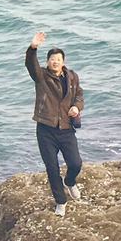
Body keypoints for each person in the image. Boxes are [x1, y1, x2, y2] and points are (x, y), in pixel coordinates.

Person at [25, 32, 84, 217]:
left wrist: (76, 107)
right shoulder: (41, 76)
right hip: (45, 130)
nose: (55, 62)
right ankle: (60, 201)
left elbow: (79, 96)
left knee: (75, 163)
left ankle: (70, 182)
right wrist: (33, 48)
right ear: (48, 61)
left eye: (58, 59)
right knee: (52, 168)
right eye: (52, 59)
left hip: (66, 128)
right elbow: (31, 65)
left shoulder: (72, 77)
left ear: (63, 62)